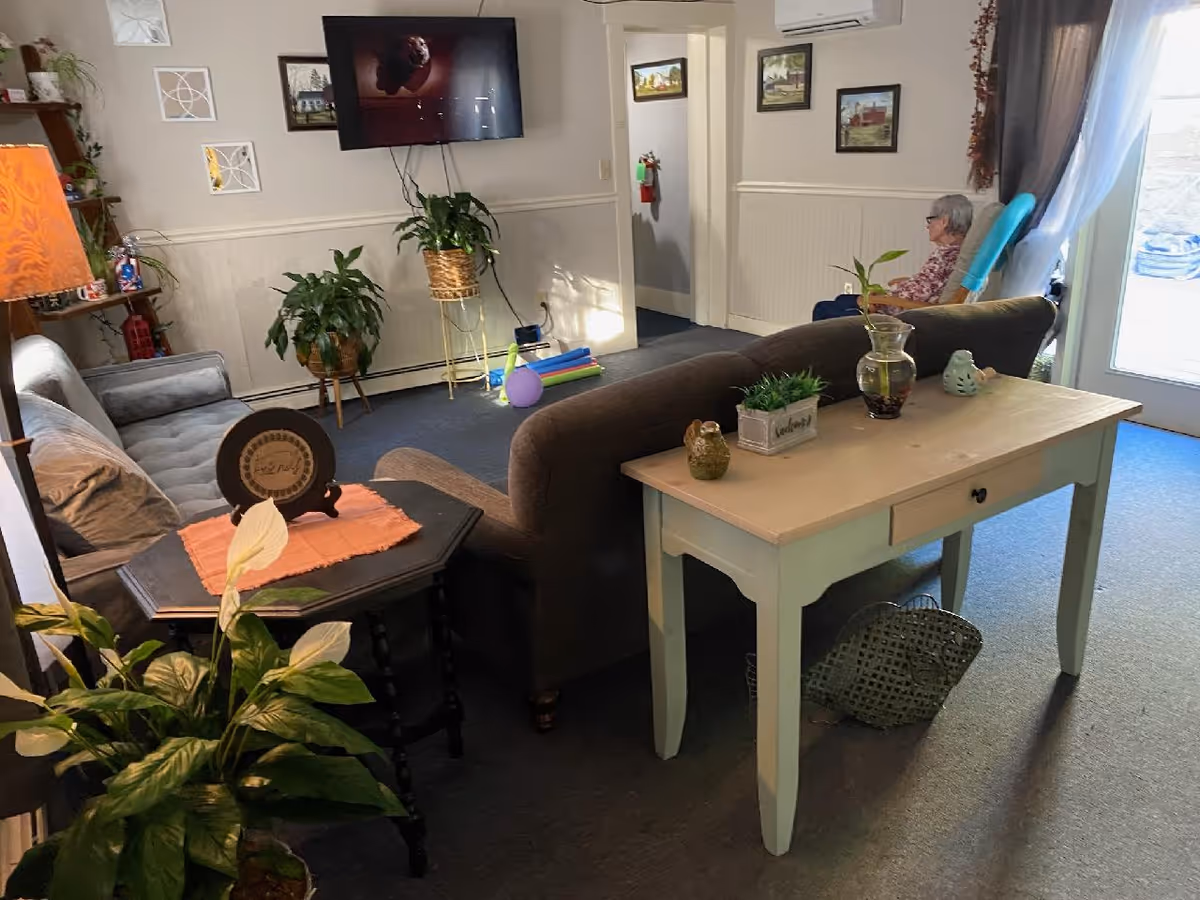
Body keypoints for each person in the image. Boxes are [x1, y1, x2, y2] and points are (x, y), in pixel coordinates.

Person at [812, 194, 975, 321]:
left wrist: (882, 300)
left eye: (931, 219)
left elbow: (926, 303)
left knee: (823, 308)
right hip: (896, 303)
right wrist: (898, 287)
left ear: (944, 221)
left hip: (896, 314)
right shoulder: (953, 252)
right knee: (841, 299)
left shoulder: (946, 257)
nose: (928, 225)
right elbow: (928, 286)